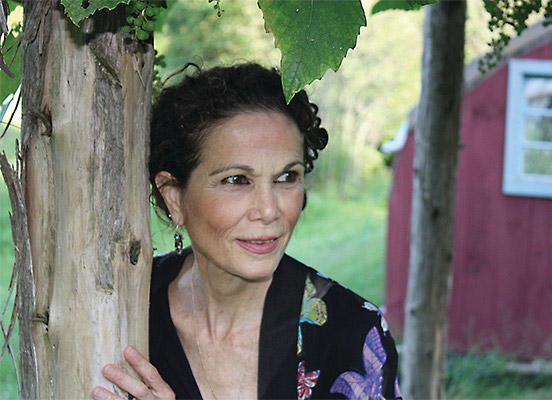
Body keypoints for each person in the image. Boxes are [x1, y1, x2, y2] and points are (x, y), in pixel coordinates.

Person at [92, 64, 401, 399]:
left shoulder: (350, 334)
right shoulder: (122, 310)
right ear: (174, 197)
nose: (270, 211)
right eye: (237, 180)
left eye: (287, 177)